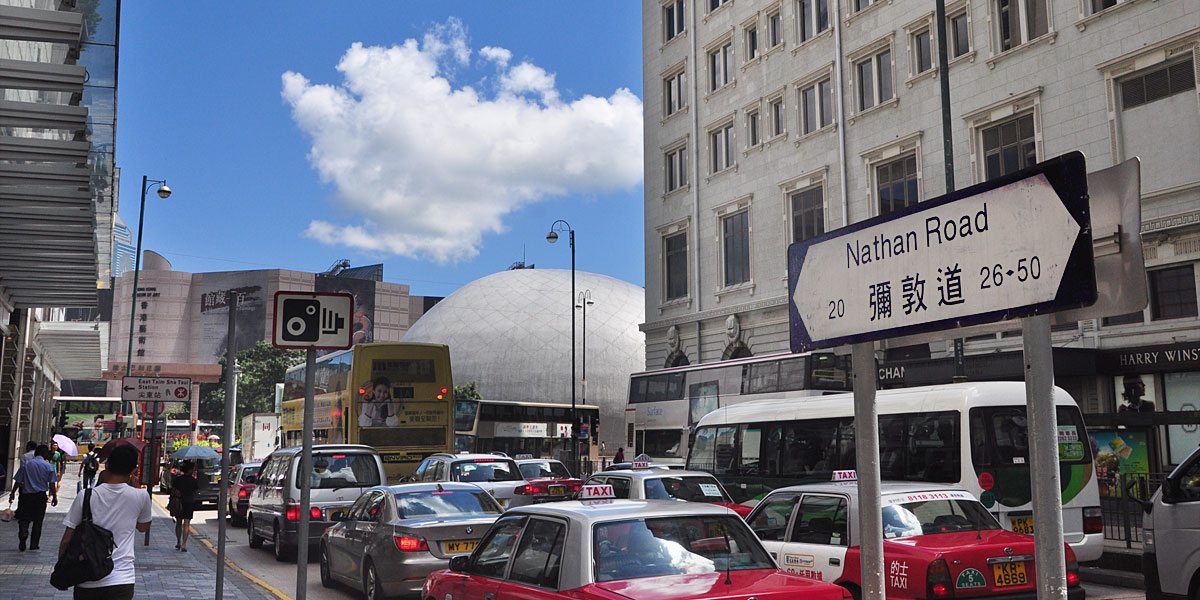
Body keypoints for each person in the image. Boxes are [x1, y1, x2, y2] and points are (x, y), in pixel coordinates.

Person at [59, 444, 152, 599]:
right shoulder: (141, 497)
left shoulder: (85, 495)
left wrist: (64, 572)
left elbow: (66, 540)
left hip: (86, 577)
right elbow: (143, 527)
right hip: (122, 579)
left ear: (106, 465)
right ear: (133, 470)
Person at [8, 444, 58, 551]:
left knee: (24, 518)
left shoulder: (26, 464)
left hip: (26, 496)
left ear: (35, 453)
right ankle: (34, 544)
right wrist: (54, 496)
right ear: (45, 454)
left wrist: (12, 493)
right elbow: (52, 484)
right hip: (40, 497)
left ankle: (23, 534)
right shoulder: (48, 466)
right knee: (38, 520)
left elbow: (18, 481)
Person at [170, 461, 198, 552]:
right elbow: (197, 491)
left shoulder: (178, 479)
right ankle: (184, 544)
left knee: (178, 522)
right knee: (186, 524)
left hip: (179, 502)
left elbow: (173, 488)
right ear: (190, 470)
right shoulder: (193, 480)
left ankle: (178, 542)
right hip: (189, 503)